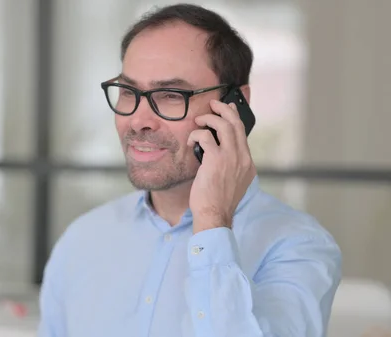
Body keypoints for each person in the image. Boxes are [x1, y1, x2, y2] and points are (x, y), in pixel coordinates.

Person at [37, 3, 342, 337]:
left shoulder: (297, 246)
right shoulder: (83, 239)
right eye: (128, 92)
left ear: (235, 105)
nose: (139, 121)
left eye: (170, 95)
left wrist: (213, 220)